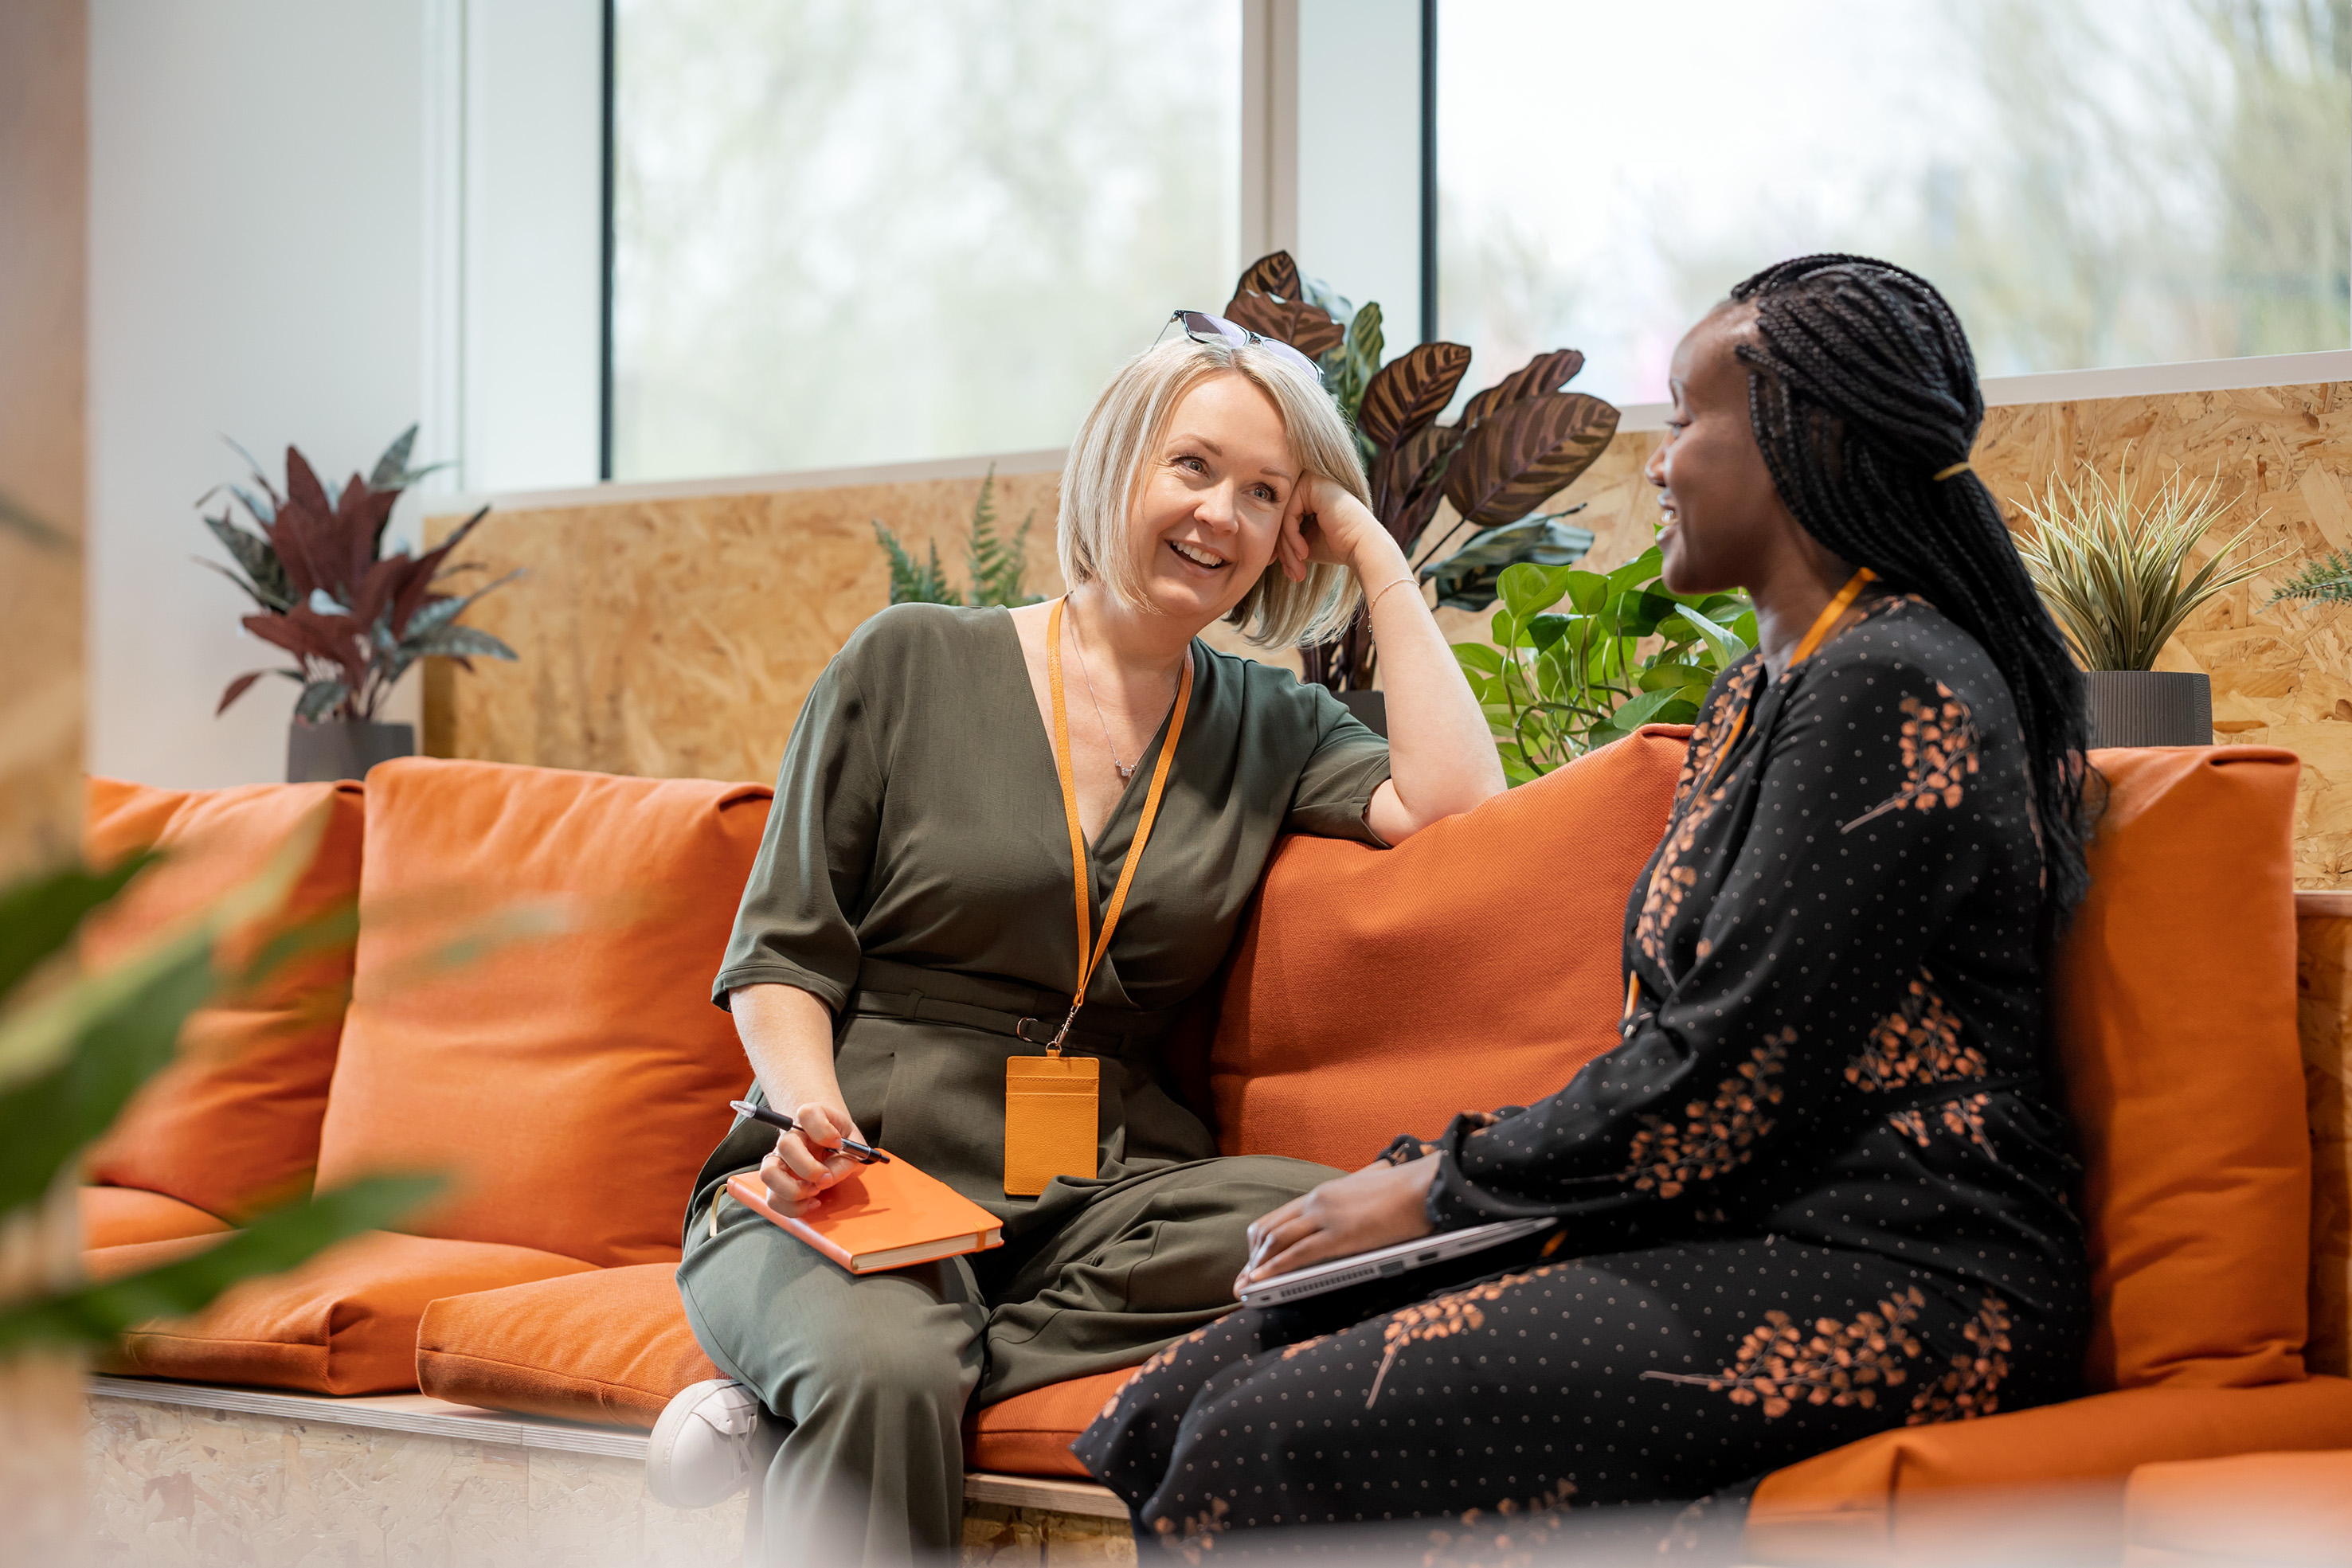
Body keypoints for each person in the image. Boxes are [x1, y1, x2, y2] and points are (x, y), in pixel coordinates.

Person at [1077, 256, 2098, 1562]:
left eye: (1684, 419)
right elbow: (1681, 1062)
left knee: (1260, 1442)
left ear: (1800, 437)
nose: (1658, 464)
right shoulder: (1761, 694)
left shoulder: (1891, 678)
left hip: (1907, 1265)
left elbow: (1728, 1074)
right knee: (1166, 1404)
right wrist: (1448, 1188)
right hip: (1729, 1223)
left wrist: (1441, 1186)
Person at [644, 314, 1508, 1564]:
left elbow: (1454, 805)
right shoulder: (910, 660)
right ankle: (854, 1368)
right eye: (1193, 466)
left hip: (1106, 1199)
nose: (1220, 514)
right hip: (863, 1167)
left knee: (1354, 1221)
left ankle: (795, 1395)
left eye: (1264, 493)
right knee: (887, 1367)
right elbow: (781, 953)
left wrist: (1370, 545)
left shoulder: (1274, 722)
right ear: (1117, 466)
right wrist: (810, 1125)